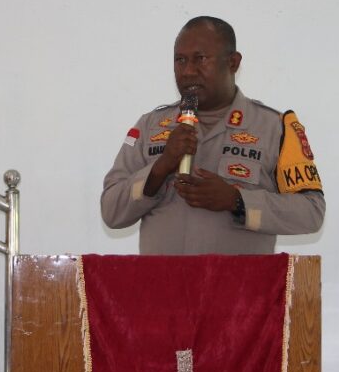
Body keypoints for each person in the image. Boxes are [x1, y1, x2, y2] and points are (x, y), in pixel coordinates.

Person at [101, 16, 325, 254]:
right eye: (180, 60)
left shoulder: (275, 128)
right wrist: (160, 168)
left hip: (240, 279)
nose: (188, 71)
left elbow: (311, 212)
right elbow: (111, 212)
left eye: (200, 59)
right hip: (163, 279)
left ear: (233, 63)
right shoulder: (149, 126)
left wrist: (236, 201)